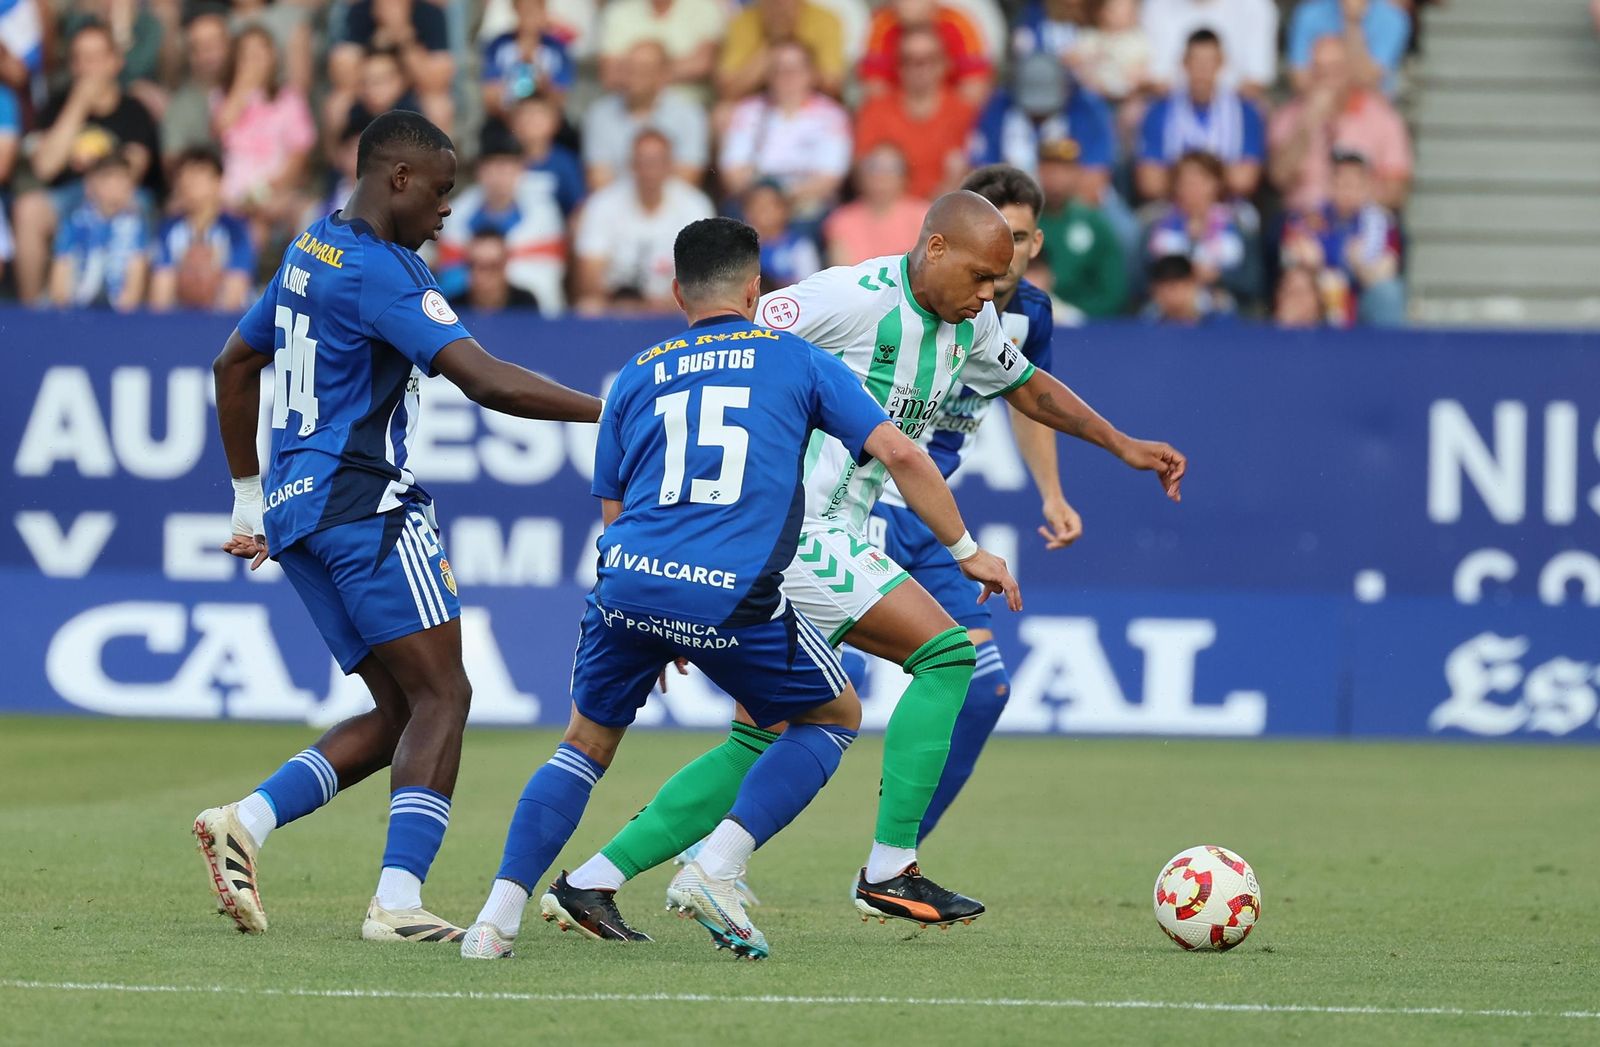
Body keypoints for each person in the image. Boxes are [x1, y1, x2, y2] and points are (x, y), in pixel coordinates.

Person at [559, 190, 1186, 932]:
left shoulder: (972, 319)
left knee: (759, 732)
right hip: (797, 527)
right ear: (935, 249)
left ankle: (593, 880)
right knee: (948, 656)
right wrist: (968, 551)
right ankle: (877, 867)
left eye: (1000, 281)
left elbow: (1028, 387)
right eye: (982, 277)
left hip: (826, 531)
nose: (990, 296)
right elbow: (713, 357)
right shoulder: (846, 296)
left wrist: (1122, 445)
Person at [459, 217, 1017, 959]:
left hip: (629, 581)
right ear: (755, 288)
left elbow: (617, 506)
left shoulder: (635, 372)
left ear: (675, 290)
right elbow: (900, 452)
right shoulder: (794, 359)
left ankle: (498, 918)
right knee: (837, 711)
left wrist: (652, 616)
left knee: (588, 744)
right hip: (734, 585)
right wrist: (967, 549)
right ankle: (735, 867)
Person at [193, 110, 603, 943]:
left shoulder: (311, 248)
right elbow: (485, 380)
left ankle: (248, 819)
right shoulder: (385, 273)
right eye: (443, 191)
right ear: (400, 179)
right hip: (365, 504)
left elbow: (233, 365)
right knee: (446, 692)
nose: (448, 211)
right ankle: (397, 898)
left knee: (400, 709)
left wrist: (248, 499)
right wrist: (614, 407)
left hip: (299, 514)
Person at [844, 164, 1082, 839]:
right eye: (997, 234)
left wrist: (1052, 493)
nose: (1008, 253)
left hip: (930, 513)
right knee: (810, 690)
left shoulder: (1027, 316)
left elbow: (1030, 400)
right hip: (863, 503)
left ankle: (895, 858)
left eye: (1023, 238)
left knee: (984, 686)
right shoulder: (897, 299)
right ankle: (711, 848)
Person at [11, 21, 161, 304]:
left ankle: (127, 303)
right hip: (69, 197)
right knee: (27, 209)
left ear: (115, 62)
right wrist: (78, 104)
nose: (86, 67)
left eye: (94, 58)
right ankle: (30, 311)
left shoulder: (133, 110)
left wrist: (97, 176)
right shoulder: (57, 105)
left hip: (122, 195)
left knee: (135, 204)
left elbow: (134, 170)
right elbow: (45, 167)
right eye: (79, 59)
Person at [573, 129, 715, 314]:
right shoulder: (602, 204)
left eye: (656, 161)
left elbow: (704, 277)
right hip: (617, 305)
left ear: (669, 164)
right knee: (588, 307)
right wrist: (624, 303)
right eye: (642, 161)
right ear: (631, 164)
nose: (649, 170)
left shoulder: (695, 205)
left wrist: (665, 303)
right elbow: (589, 275)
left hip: (675, 306)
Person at [1268, 33, 1412, 212]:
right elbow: (1279, 179)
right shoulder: (1288, 115)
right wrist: (1307, 124)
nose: (1327, 79)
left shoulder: (1382, 118)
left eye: (1334, 70)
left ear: (1349, 71)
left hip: (1362, 220)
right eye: (1319, 71)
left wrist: (1350, 197)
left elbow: (1395, 192)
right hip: (1303, 220)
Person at [717, 41, 851, 220]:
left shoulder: (832, 115)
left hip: (806, 203)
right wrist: (764, 199)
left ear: (811, 74)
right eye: (779, 69)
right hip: (754, 199)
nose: (787, 76)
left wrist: (781, 199)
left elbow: (829, 177)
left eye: (795, 69)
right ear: (768, 75)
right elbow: (732, 171)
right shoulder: (747, 111)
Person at [435, 129, 566, 312]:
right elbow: (449, 280)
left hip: (529, 314)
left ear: (521, 169)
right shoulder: (456, 216)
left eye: (507, 166)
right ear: (479, 170)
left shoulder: (544, 216)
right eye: (492, 166)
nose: (499, 175)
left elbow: (546, 279)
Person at [212, 24, 317, 246]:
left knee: (306, 216)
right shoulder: (221, 97)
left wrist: (267, 191)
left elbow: (299, 155)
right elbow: (220, 130)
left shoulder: (289, 99)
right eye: (246, 55)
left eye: (260, 53)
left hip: (277, 190)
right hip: (231, 191)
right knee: (250, 233)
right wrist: (242, 87)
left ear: (273, 57)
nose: (254, 60)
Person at [1136, 28, 1266, 202]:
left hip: (1228, 209)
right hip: (1171, 208)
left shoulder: (1245, 113)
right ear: (1184, 63)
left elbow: (1245, 181)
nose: (1202, 70)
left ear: (1221, 63)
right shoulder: (1159, 110)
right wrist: (1217, 173)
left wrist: (1181, 175)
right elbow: (1150, 183)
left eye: (1209, 62)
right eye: (1196, 61)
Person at [853, 24, 977, 202]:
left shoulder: (965, 112)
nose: (919, 68)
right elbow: (862, 172)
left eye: (928, 59)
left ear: (944, 63)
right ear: (898, 65)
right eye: (909, 60)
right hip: (888, 212)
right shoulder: (875, 109)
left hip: (945, 214)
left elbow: (971, 174)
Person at [1281, 149, 1404, 326]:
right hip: (1319, 301)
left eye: (1354, 185)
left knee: (1388, 292)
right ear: (1330, 184)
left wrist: (1358, 264)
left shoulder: (1381, 224)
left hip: (1360, 301)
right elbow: (1291, 254)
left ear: (1367, 186)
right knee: (1298, 285)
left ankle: (1387, 349)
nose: (1347, 191)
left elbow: (1385, 272)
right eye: (1341, 183)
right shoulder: (1309, 217)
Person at [580, 40, 708, 189]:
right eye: (629, 67)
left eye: (643, 68)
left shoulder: (690, 115)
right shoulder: (599, 114)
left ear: (663, 75)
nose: (633, 74)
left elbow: (687, 177)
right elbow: (599, 180)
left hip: (671, 204)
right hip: (616, 205)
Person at [1144, 150, 1258, 312]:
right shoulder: (1156, 226)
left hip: (1220, 311)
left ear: (1216, 184)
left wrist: (1218, 276)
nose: (1192, 188)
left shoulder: (1238, 226)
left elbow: (1252, 282)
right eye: (1185, 181)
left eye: (1200, 180)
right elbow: (1141, 277)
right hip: (1165, 309)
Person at [148, 147, 255, 312]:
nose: (189, 182)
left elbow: (235, 290)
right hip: (178, 320)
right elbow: (160, 296)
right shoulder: (168, 229)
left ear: (218, 181)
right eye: (184, 175)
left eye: (198, 175)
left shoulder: (236, 230)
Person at [327, 0, 454, 135]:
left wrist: (402, 35)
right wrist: (374, 85)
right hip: (366, 86)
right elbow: (342, 74)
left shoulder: (430, 13)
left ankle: (435, 155)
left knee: (439, 107)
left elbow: (437, 80)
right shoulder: (360, 10)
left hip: (411, 88)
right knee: (338, 105)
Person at [1036, 138, 1126, 317]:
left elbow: (1113, 292)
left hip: (1083, 326)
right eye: (1050, 169)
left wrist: (1076, 314)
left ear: (1077, 173)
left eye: (1064, 170)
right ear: (1039, 172)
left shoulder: (1096, 224)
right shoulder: (1025, 222)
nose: (1056, 177)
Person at [49, 153, 149, 311]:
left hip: (119, 315)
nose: (115, 187)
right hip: (75, 311)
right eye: (108, 179)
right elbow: (60, 276)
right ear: (89, 185)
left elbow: (135, 281)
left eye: (122, 179)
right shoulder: (74, 223)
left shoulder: (136, 227)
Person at [858, 0, 993, 107]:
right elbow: (875, 95)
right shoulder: (883, 23)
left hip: (951, 124)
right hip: (897, 122)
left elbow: (974, 93)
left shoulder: (958, 24)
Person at [1141, 0, 1278, 96]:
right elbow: (1156, 81)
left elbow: (1256, 82)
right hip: (1170, 104)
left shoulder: (1257, 6)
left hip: (1236, 104)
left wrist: (1213, 102)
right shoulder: (1155, 5)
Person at [717, 0, 847, 101]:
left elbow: (832, 87)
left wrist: (792, 43)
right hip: (758, 104)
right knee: (723, 113)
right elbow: (727, 90)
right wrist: (772, 43)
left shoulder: (825, 20)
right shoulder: (743, 21)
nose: (780, 4)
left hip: (810, 104)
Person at [823, 144, 929, 266]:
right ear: (859, 175)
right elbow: (841, 271)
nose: (881, 176)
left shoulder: (924, 214)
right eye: (873, 167)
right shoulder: (841, 220)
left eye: (891, 168)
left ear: (905, 177)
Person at [1288, 0, 1410, 98]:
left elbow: (1368, 79)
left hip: (1370, 106)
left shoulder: (1393, 19)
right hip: (1314, 99)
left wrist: (1352, 22)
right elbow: (1299, 81)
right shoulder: (1308, 13)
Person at [161, 4, 232, 167]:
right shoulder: (179, 106)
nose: (208, 52)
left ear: (230, 45)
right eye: (199, 46)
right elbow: (172, 166)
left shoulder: (256, 92)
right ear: (190, 56)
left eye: (215, 43)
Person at [596, 0, 723, 90]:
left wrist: (638, 73)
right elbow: (610, 75)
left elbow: (702, 65)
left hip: (688, 105)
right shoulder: (619, 10)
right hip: (628, 106)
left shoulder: (704, 6)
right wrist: (665, 71)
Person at [482, 0, 576, 119]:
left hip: (544, 117)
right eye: (524, 10)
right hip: (507, 116)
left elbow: (559, 98)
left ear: (543, 11)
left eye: (533, 11)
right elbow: (491, 97)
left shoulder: (556, 49)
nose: (528, 17)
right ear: (515, 10)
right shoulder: (498, 46)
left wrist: (542, 83)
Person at [507, 91, 585, 218]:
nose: (530, 121)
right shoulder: (503, 159)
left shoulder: (565, 163)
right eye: (524, 115)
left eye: (537, 115)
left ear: (555, 123)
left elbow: (577, 207)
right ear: (512, 124)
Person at [744, 179, 821, 289]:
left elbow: (810, 285)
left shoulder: (800, 246)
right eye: (757, 205)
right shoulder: (741, 247)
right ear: (747, 211)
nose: (764, 211)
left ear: (785, 209)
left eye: (770, 205)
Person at [451, 230, 542, 311]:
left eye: (493, 266)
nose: (484, 276)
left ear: (505, 264)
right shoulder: (452, 307)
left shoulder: (525, 305)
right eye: (475, 265)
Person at [1142, 252, 1214, 323]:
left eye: (1173, 287)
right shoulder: (1144, 327)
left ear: (1193, 284)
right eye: (1164, 288)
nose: (1170, 295)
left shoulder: (1218, 327)